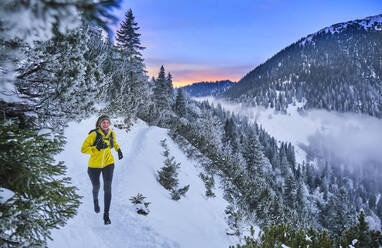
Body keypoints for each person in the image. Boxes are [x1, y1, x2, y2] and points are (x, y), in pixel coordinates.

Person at [81, 115, 123, 225]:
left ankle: (106, 214)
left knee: (107, 187)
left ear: (109, 124)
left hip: (108, 164)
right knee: (96, 186)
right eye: (103, 122)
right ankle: (95, 201)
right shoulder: (94, 134)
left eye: (107, 123)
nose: (105, 124)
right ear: (99, 123)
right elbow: (83, 149)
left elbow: (114, 143)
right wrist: (96, 148)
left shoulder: (111, 133)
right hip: (94, 165)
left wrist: (119, 150)